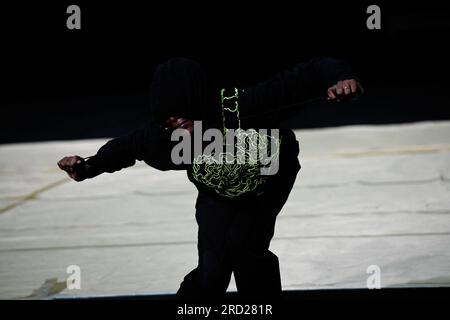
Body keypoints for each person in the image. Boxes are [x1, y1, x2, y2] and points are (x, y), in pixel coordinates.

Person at [57, 57, 363, 300]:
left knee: (245, 249)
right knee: (213, 272)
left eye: (181, 114)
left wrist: (340, 79)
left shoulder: (240, 106)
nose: (177, 124)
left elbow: (309, 72)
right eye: (168, 118)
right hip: (216, 192)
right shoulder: (164, 136)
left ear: (197, 102)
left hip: (265, 183)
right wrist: (86, 167)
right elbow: (124, 148)